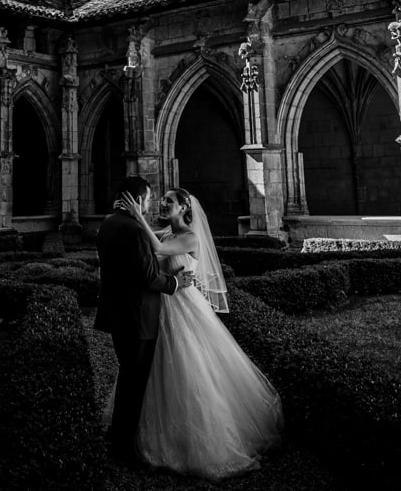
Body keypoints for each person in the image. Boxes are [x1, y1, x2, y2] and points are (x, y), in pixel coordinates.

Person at [115, 186, 285, 480]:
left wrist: (136, 216)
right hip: (162, 306)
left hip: (183, 308)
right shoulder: (166, 233)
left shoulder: (190, 237)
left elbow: (157, 250)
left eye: (171, 200)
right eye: (163, 199)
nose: (164, 203)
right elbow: (152, 252)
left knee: (190, 368)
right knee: (156, 369)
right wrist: (132, 220)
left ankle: (199, 443)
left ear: (184, 208)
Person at [94, 176, 195, 466]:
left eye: (167, 201)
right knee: (134, 383)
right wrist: (175, 283)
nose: (155, 204)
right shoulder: (135, 229)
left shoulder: (109, 223)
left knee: (129, 377)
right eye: (151, 199)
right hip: (138, 317)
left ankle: (120, 434)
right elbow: (148, 276)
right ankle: (124, 445)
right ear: (137, 200)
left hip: (119, 315)